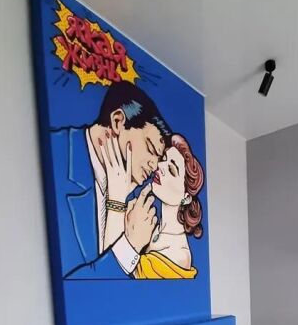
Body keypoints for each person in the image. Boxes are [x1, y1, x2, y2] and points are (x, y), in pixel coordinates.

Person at [53, 81, 171, 278]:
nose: (153, 166)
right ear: (118, 121)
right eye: (151, 149)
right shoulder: (58, 157)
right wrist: (129, 246)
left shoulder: (134, 204)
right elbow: (76, 287)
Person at [132, 134, 205, 279]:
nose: (159, 166)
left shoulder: (180, 255)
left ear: (186, 198)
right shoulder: (148, 223)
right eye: (163, 159)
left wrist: (132, 244)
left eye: (171, 169)